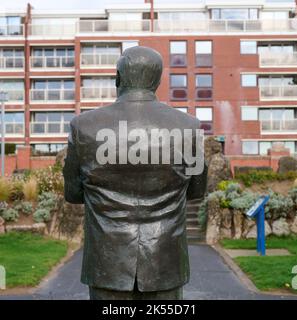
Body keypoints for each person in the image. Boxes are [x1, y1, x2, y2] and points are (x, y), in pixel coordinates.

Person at [63, 46, 207, 300]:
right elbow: (196, 191)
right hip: (166, 260)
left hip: (107, 263)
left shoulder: (83, 126)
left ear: (118, 78)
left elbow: (73, 194)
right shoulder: (190, 126)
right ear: (158, 81)